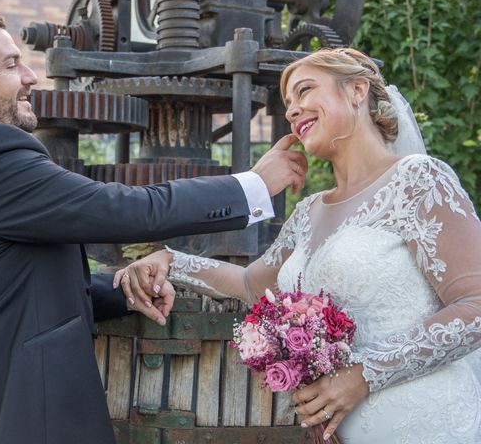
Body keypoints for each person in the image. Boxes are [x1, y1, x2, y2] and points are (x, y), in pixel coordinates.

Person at [0, 9, 307, 444]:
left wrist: (124, 288)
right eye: (10, 64)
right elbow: (127, 210)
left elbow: (10, 291)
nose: (31, 77)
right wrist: (254, 186)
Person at [117, 48, 481, 443]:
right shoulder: (309, 210)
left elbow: (476, 305)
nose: (292, 111)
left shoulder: (417, 180)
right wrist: (169, 260)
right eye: (288, 103)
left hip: (425, 423)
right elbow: (251, 285)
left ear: (357, 90)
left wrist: (363, 375)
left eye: (305, 91)